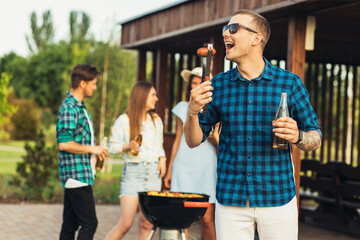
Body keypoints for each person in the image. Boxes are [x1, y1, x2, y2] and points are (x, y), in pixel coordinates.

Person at [183, 9, 322, 240]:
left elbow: (315, 137)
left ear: (257, 38)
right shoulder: (218, 85)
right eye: (225, 28)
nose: (226, 32)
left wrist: (298, 136)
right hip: (231, 200)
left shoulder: (289, 83)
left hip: (278, 198)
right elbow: (193, 140)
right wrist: (192, 112)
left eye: (234, 28)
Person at [105, 81, 167, 240]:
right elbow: (111, 148)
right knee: (125, 224)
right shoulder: (124, 121)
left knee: (147, 224)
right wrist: (127, 146)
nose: (157, 98)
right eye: (153, 95)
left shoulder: (156, 121)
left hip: (153, 174)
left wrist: (163, 158)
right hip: (133, 174)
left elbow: (159, 145)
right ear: (142, 96)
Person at [164, 67, 218, 240]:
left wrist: (213, 138)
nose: (195, 86)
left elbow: (219, 141)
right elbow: (179, 139)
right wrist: (170, 169)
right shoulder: (182, 107)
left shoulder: (214, 109)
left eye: (199, 83)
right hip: (184, 165)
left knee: (208, 220)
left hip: (207, 167)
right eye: (193, 83)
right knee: (183, 219)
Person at [56, 64, 109, 240]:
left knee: (69, 226)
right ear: (82, 84)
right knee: (89, 223)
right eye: (93, 83)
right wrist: (92, 148)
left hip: (80, 175)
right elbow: (64, 143)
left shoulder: (79, 107)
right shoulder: (70, 108)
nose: (95, 87)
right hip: (76, 175)